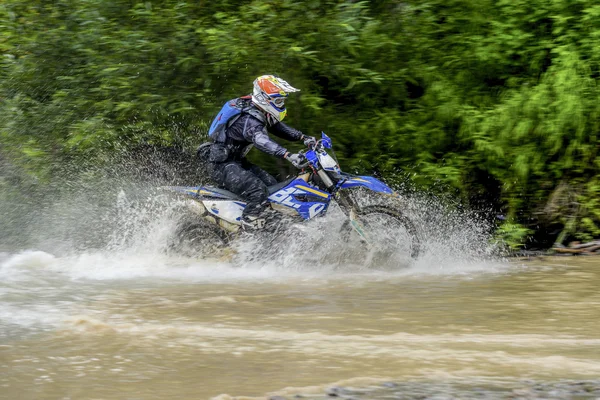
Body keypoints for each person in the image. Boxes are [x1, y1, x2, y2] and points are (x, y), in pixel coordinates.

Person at [201, 75, 314, 229]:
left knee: (274, 188)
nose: (281, 105)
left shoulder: (256, 108)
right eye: (278, 101)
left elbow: (277, 126)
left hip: (237, 162)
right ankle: (249, 232)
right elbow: (261, 140)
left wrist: (303, 137)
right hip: (222, 166)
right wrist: (287, 155)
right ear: (264, 98)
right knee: (257, 191)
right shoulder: (249, 120)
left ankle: (270, 227)